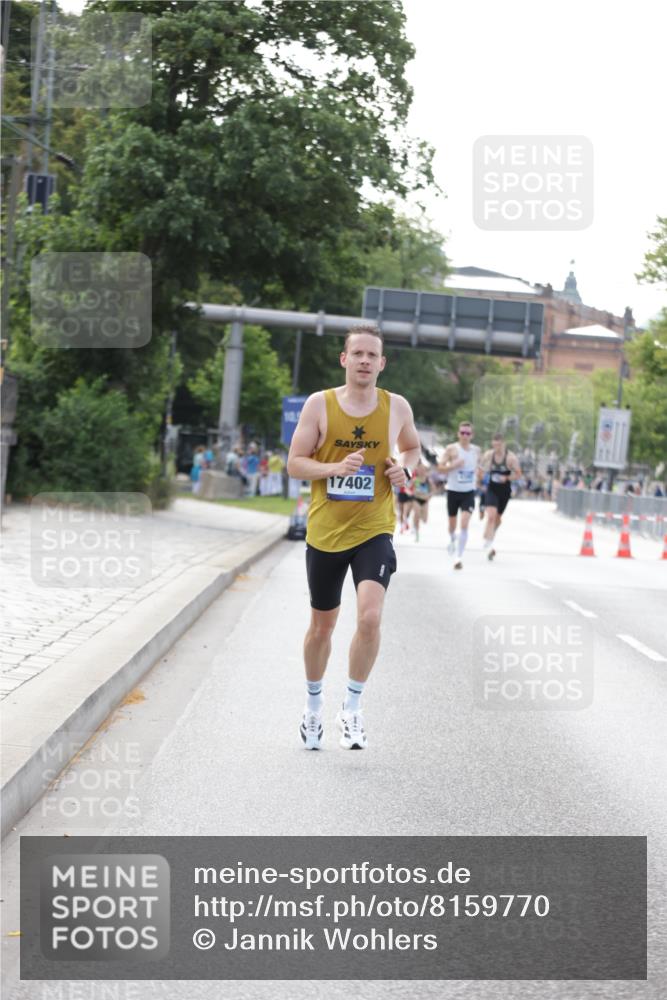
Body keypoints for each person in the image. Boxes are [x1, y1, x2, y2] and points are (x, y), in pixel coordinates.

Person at [287, 325, 420, 750]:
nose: (364, 360)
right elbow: (294, 463)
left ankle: (353, 709)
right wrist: (333, 469)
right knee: (321, 628)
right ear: (344, 360)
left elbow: (413, 448)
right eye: (357, 353)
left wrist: (407, 470)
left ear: (382, 364)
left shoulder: (396, 407)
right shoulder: (319, 405)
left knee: (369, 617)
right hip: (326, 531)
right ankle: (312, 708)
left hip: (373, 528)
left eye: (372, 355)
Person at [438, 421, 480, 569]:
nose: (465, 436)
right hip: (453, 491)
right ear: (458, 434)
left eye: (467, 433)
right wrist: (453, 465)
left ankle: (458, 557)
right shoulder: (451, 449)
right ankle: (451, 538)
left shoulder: (476, 451)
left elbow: (479, 468)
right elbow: (440, 468)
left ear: (472, 435)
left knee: (464, 523)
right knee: (452, 525)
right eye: (462, 433)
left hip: (468, 492)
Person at [478, 433, 522, 560]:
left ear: (503, 444)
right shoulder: (488, 455)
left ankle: (490, 535)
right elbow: (480, 470)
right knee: (491, 516)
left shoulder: (511, 458)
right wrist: (481, 478)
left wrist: (507, 477)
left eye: (499, 444)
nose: (496, 447)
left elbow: (518, 474)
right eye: (494, 444)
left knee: (497, 518)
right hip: (492, 489)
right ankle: (489, 542)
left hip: (504, 491)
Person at [411, 460, 432, 541]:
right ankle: (416, 531)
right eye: (420, 469)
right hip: (416, 499)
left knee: (425, 520)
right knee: (417, 513)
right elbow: (408, 487)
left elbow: (433, 490)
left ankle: (416, 521)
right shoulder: (415, 480)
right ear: (417, 471)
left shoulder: (428, 480)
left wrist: (429, 496)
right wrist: (410, 492)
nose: (421, 471)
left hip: (425, 500)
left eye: (423, 470)